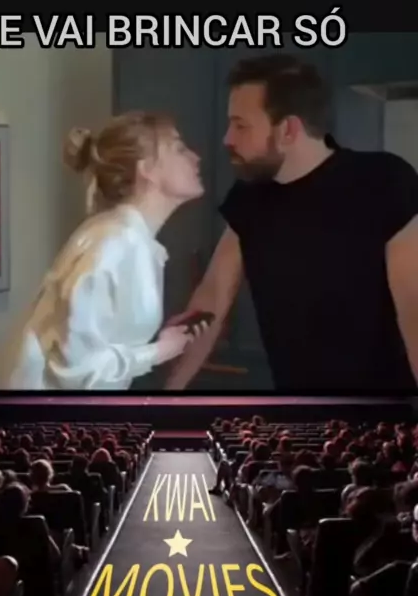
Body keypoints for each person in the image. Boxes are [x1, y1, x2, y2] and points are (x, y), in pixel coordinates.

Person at [164, 53, 418, 391]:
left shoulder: (382, 181)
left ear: (288, 130)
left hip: (383, 406)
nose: (228, 138)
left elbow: (414, 306)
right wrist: (165, 396)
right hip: (297, 404)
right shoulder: (250, 196)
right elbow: (212, 298)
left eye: (241, 125)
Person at [0, 111, 207, 389]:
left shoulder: (127, 238)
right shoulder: (115, 243)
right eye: (179, 148)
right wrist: (159, 352)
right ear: (146, 169)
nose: (196, 157)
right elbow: (74, 369)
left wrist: (161, 341)